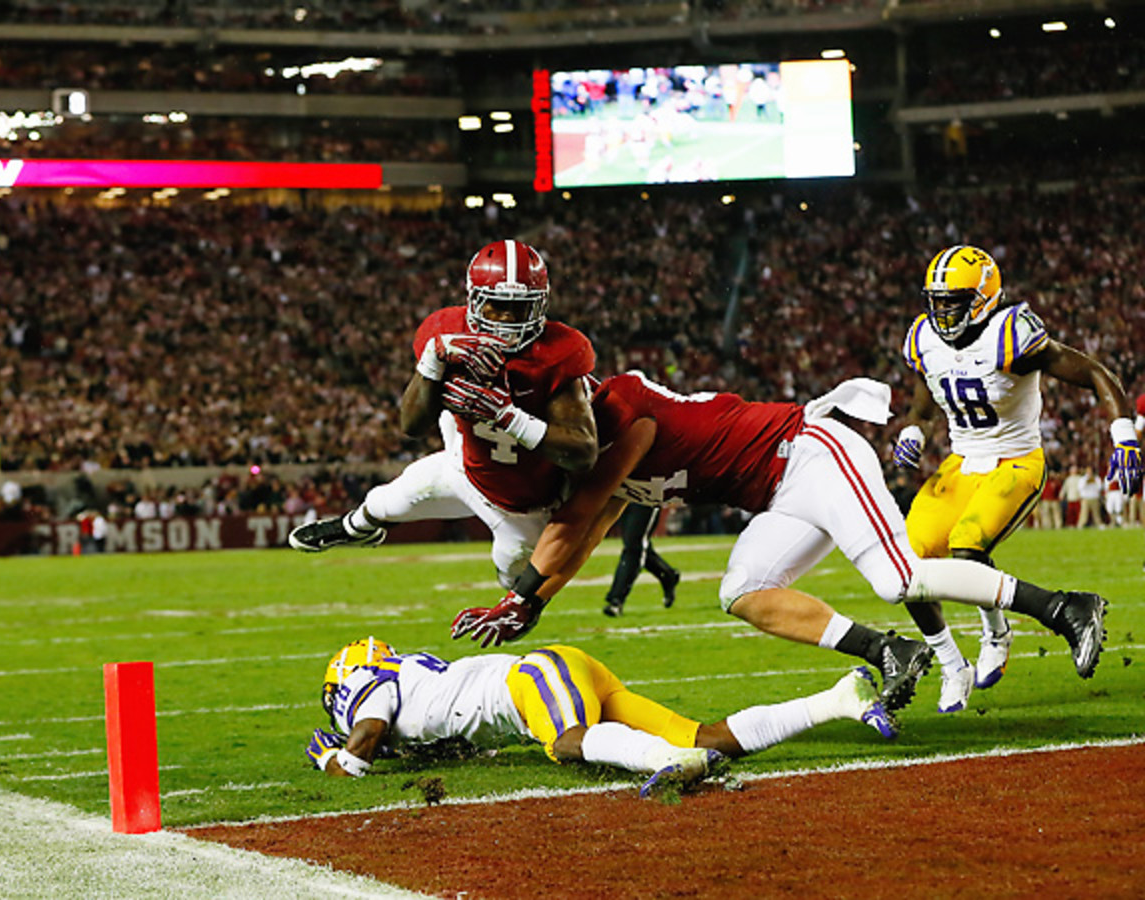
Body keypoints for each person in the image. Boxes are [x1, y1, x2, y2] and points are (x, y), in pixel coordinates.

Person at [451, 372, 1110, 711]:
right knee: (742, 590)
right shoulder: (605, 455)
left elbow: (580, 515)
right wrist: (530, 604)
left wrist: (521, 601)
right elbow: (586, 535)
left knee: (897, 578)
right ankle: (889, 650)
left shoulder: (624, 413)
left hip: (810, 454)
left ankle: (1065, 607)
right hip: (776, 493)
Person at [894, 244, 1139, 712]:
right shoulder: (924, 337)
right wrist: (915, 429)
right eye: (937, 300)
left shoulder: (1010, 335)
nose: (942, 310)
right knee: (905, 566)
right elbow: (927, 394)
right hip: (962, 463)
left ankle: (996, 633)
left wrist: (1123, 435)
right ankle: (952, 664)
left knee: (967, 545)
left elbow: (1093, 373)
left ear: (983, 297)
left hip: (1016, 461)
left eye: (953, 300)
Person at [289, 240, 599, 588]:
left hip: (524, 503)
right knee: (388, 500)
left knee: (516, 577)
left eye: (520, 308)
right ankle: (355, 528)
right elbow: (411, 426)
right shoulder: (446, 330)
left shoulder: (559, 352)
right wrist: (432, 362)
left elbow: (583, 453)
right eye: (497, 306)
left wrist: (507, 416)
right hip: (462, 464)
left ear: (541, 305)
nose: (508, 318)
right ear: (475, 300)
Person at [304, 636, 896, 797]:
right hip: (555, 672)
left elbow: (367, 738)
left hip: (532, 679)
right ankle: (836, 700)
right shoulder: (411, 679)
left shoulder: (367, 684)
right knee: (705, 733)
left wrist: (333, 757)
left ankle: (672, 763)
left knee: (566, 743)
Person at [602, 502, 680, 618]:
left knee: (634, 548)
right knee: (635, 545)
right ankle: (668, 575)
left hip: (647, 497)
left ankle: (616, 600)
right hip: (625, 497)